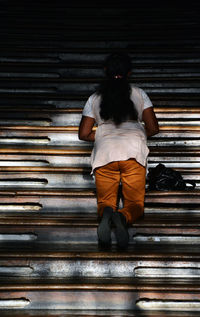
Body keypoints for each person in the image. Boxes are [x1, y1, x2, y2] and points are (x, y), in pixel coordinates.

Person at [79, 53, 159, 249]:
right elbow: (154, 127)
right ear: (129, 72)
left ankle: (108, 212)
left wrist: (100, 136)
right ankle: (122, 216)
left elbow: (83, 133)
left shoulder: (95, 98)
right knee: (136, 206)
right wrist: (138, 134)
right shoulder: (139, 93)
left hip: (105, 154)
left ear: (106, 71)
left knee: (105, 202)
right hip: (133, 152)